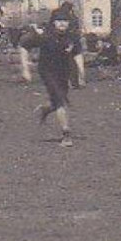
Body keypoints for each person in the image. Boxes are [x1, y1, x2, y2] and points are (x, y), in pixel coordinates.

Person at [34, 8, 84, 147]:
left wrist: (81, 73)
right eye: (59, 21)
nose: (62, 24)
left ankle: (46, 108)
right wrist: (25, 68)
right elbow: (24, 45)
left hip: (64, 72)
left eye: (65, 21)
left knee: (58, 99)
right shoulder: (45, 36)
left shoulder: (72, 37)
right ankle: (66, 134)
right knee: (61, 101)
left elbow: (77, 54)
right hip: (47, 71)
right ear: (53, 22)